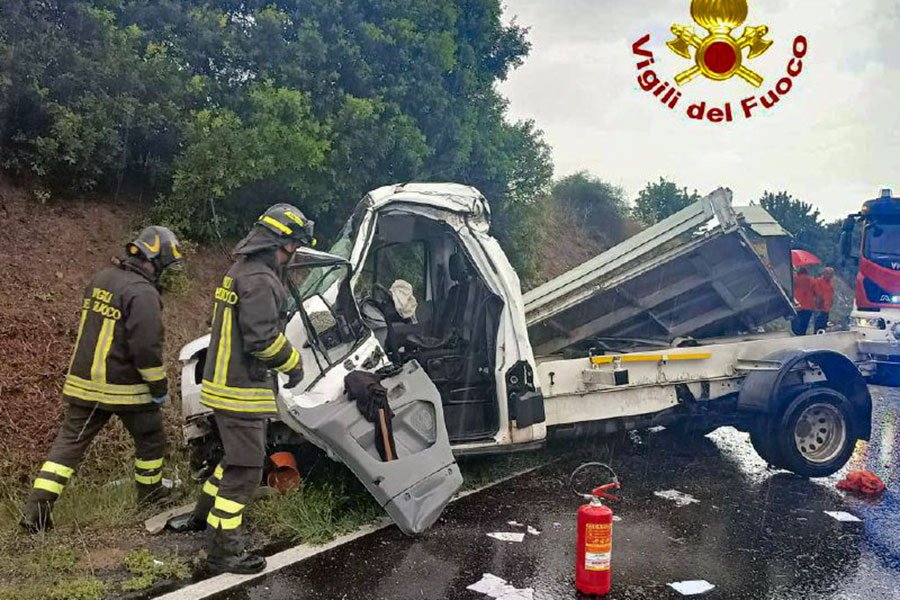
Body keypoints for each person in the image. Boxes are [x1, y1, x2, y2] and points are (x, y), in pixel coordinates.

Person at [21, 226, 182, 533]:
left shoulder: (102, 279)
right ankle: (150, 498)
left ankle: (35, 513)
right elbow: (146, 350)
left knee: (67, 448)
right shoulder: (143, 294)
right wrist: (159, 387)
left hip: (84, 384)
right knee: (151, 440)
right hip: (125, 389)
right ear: (156, 260)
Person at [181, 204, 312, 575]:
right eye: (293, 246)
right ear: (279, 243)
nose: (294, 254)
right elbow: (263, 341)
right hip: (242, 391)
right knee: (246, 470)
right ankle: (225, 552)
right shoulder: (260, 281)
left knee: (232, 460)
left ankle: (201, 517)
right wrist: (294, 365)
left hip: (225, 385)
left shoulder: (240, 271)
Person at [791, 267, 816, 336]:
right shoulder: (812, 281)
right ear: (806, 273)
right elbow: (816, 293)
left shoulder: (795, 280)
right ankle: (802, 338)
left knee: (795, 326)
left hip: (797, 306)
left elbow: (789, 290)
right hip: (809, 307)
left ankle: (796, 337)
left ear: (799, 273)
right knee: (804, 326)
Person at [813, 267, 835, 332]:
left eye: (831, 274)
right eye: (828, 273)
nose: (830, 275)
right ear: (824, 273)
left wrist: (830, 303)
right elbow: (816, 293)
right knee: (818, 328)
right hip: (819, 309)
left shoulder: (830, 284)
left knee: (823, 328)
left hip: (826, 309)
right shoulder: (818, 281)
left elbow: (831, 295)